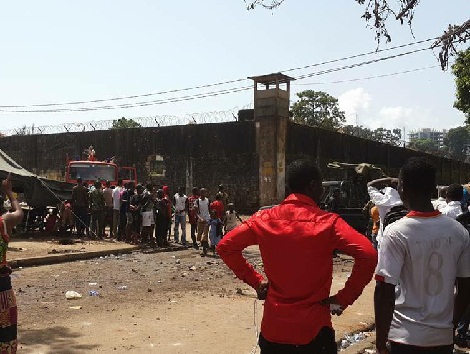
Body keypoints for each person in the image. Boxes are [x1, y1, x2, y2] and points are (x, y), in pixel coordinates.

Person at [217, 159, 377, 354]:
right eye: (320, 187)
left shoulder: (263, 219)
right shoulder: (328, 223)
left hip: (274, 330)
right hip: (314, 330)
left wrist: (257, 282)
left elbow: (225, 247)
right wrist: (343, 298)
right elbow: (368, 254)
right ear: (312, 185)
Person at [374, 157, 470, 354]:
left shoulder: (396, 232)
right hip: (442, 339)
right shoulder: (459, 232)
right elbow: (465, 288)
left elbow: (385, 290)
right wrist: (449, 325)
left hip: (405, 336)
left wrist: (380, 341)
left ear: (402, 187)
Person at [0, 173, 24, 352]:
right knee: (6, 337)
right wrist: (9, 192)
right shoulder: (4, 222)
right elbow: (19, 213)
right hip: (2, 290)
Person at [367, 177, 403, 247]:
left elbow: (369, 185)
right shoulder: (408, 199)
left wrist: (389, 179)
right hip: (405, 238)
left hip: (385, 238)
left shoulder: (382, 201)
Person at [195, 188, 211, 256]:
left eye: (204, 192)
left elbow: (209, 210)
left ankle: (204, 249)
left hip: (207, 220)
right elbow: (196, 212)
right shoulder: (197, 201)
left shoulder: (208, 201)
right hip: (200, 220)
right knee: (199, 234)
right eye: (202, 192)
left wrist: (210, 218)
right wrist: (200, 218)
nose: (203, 194)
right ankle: (204, 246)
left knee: (205, 234)